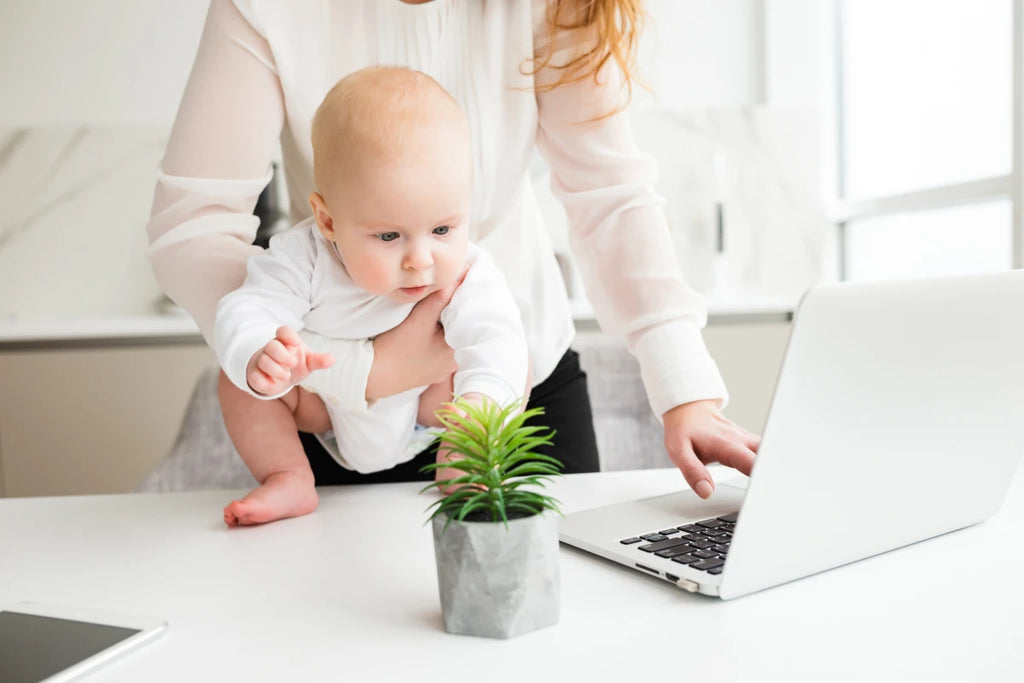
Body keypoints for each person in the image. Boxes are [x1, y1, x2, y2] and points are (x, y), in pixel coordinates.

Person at [147, 0, 760, 500]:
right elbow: (196, 224)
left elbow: (610, 195)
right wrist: (365, 371)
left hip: (508, 392)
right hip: (328, 407)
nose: (417, 256)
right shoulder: (266, 9)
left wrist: (686, 390)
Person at [214, 66, 529, 526]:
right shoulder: (301, 258)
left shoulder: (467, 272)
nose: (420, 260)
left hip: (428, 408)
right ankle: (287, 475)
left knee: (515, 358)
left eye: (443, 229)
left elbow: (494, 335)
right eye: (388, 236)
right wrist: (261, 350)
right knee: (234, 380)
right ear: (327, 220)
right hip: (321, 410)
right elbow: (247, 306)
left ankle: (461, 466)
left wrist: (482, 401)